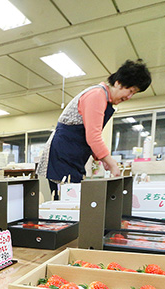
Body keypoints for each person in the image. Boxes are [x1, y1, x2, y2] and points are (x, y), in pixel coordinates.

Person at [38, 60, 151, 199]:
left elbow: (90, 134)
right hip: (63, 158)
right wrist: (112, 164)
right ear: (118, 83)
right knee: (65, 204)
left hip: (72, 157)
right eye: (131, 91)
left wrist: (102, 159)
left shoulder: (104, 99)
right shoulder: (97, 95)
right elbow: (93, 136)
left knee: (72, 202)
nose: (129, 97)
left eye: (134, 93)